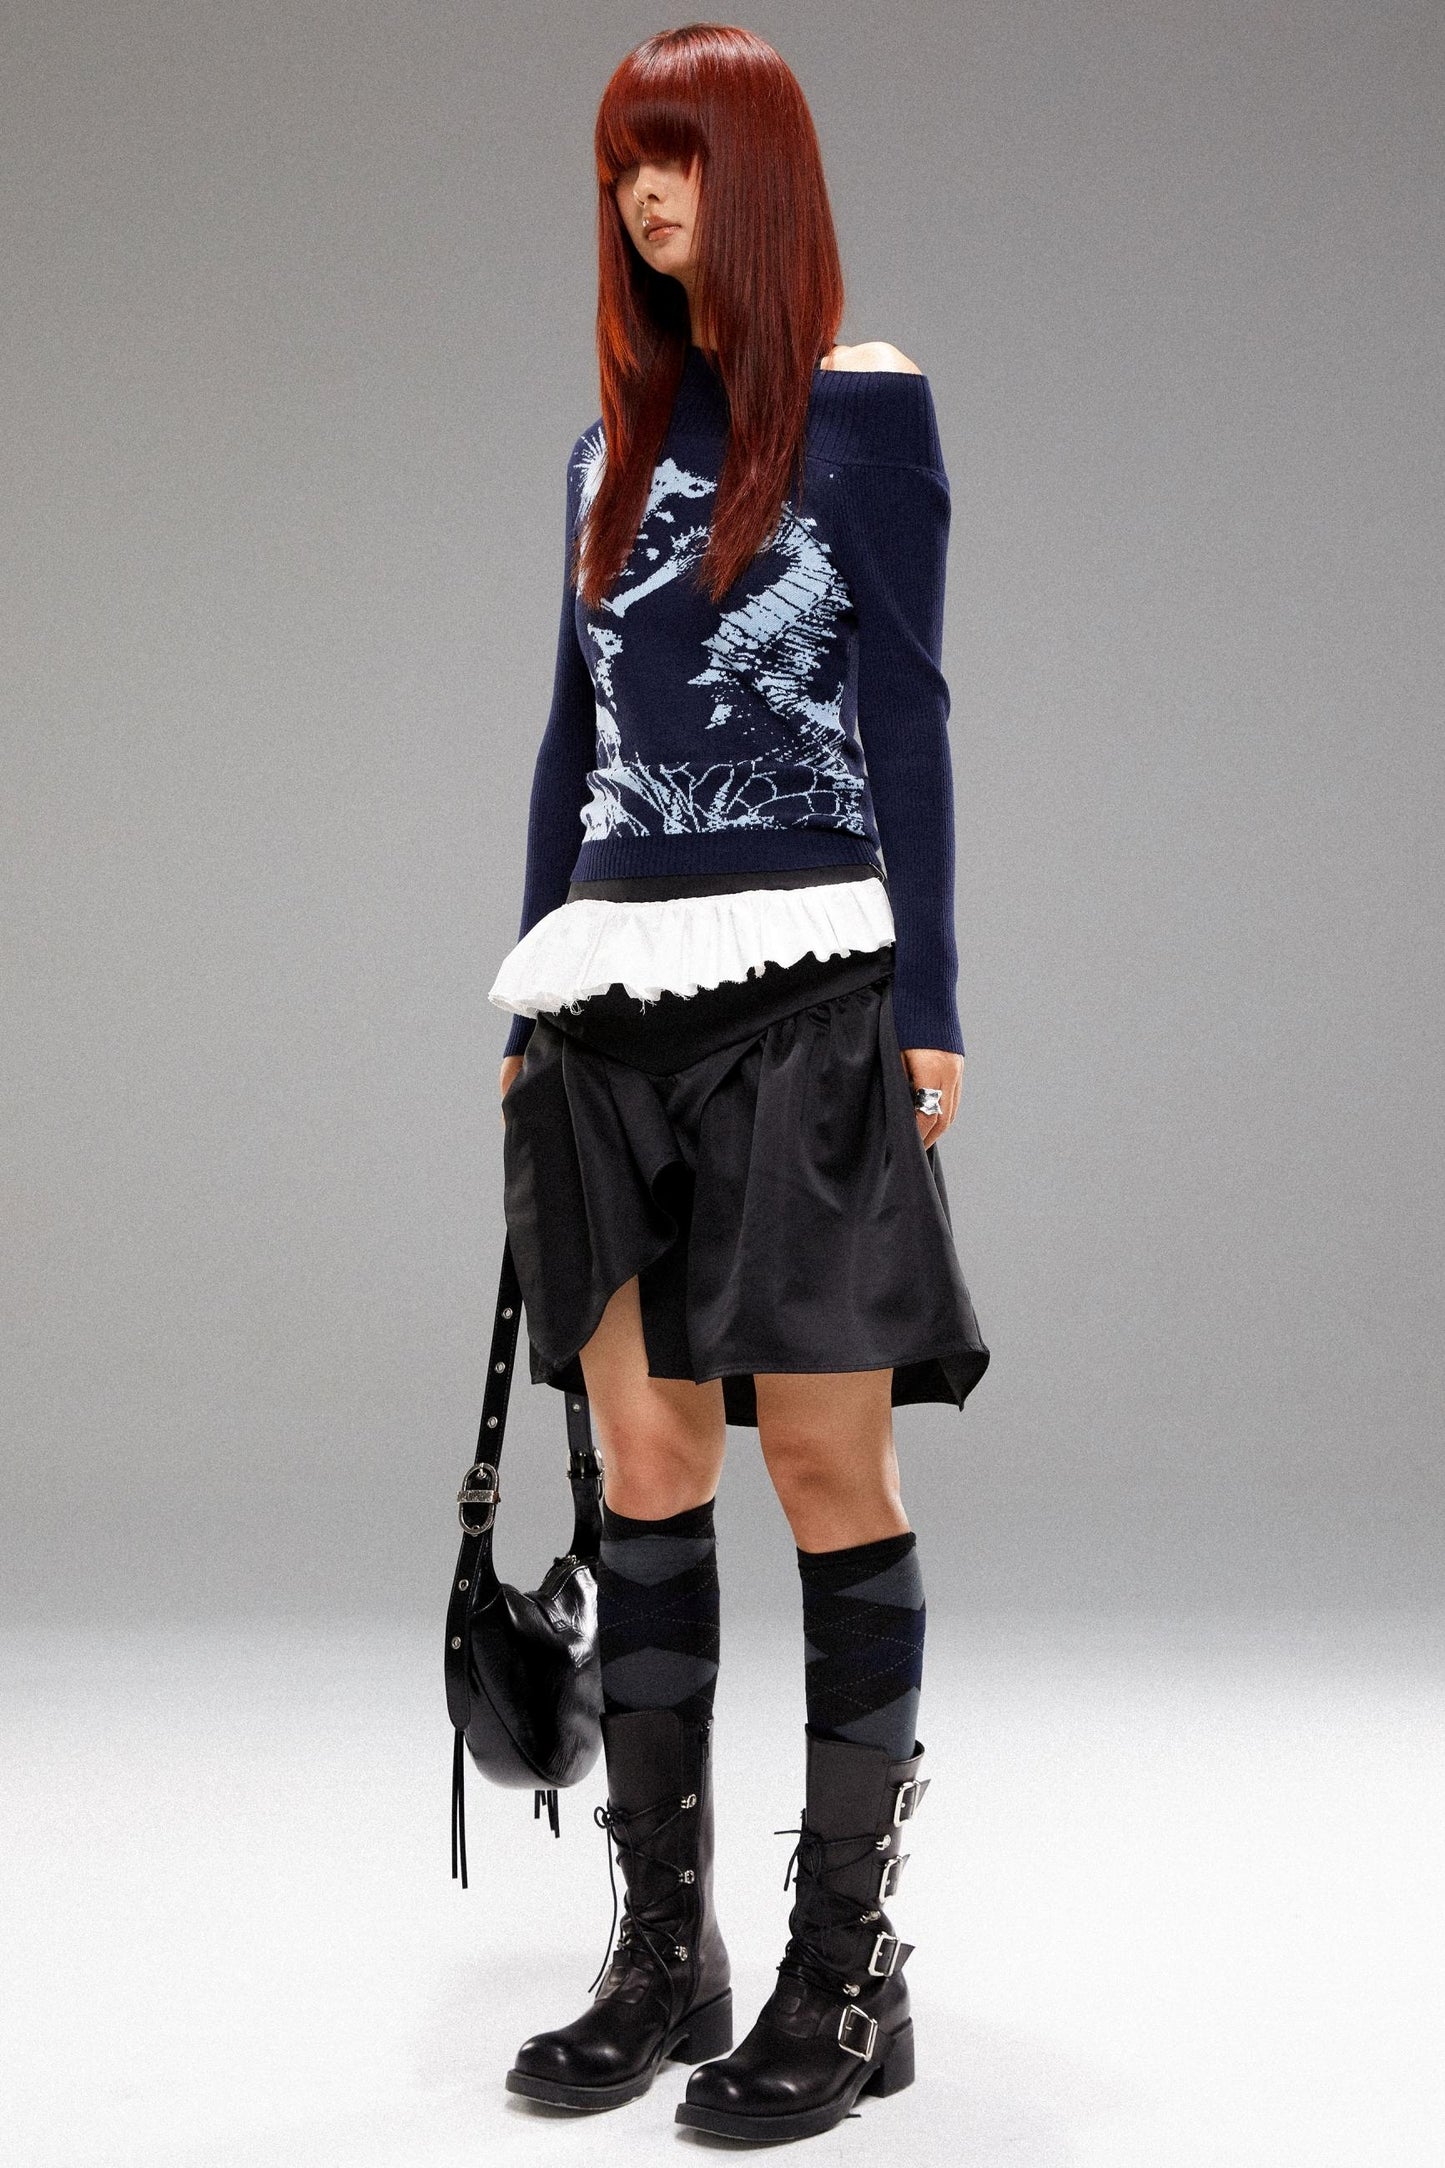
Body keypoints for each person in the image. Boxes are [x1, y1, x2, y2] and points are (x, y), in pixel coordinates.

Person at [490, 23, 989, 2145]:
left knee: (822, 1473)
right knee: (643, 1460)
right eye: (627, 161)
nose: (645, 194)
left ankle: (844, 1971)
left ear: (757, 177)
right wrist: (524, 996)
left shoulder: (861, 410)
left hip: (804, 997)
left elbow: (910, 706)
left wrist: (930, 999)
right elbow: (571, 738)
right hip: (604, 1000)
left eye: (680, 158)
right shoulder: (599, 455)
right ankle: (661, 1951)